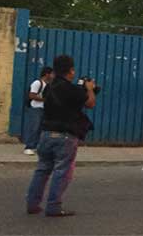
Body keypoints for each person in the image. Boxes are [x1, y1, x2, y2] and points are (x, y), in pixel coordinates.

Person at [26, 55, 96, 217]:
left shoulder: (49, 87)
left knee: (42, 170)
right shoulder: (72, 90)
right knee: (62, 171)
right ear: (71, 71)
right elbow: (90, 103)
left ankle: (32, 203)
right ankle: (54, 206)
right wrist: (90, 88)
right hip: (65, 137)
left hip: (45, 134)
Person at [23, 67, 54, 155]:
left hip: (43, 109)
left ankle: (35, 146)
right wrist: (45, 100)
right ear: (47, 74)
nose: (53, 76)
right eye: (52, 74)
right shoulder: (37, 83)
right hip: (35, 108)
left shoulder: (47, 84)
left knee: (40, 129)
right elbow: (32, 95)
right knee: (34, 127)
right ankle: (29, 147)